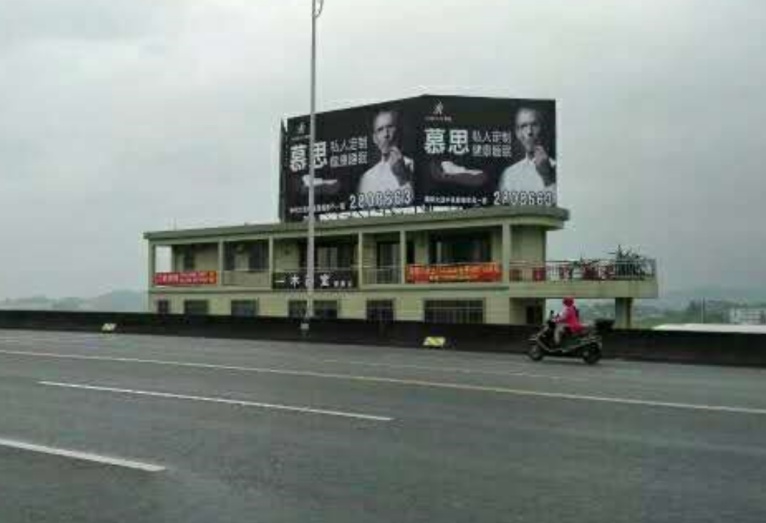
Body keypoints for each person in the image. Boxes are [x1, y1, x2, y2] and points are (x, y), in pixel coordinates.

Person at [356, 109, 414, 202]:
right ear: (375, 139)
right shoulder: (366, 178)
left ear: (398, 131)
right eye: (380, 130)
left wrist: (402, 179)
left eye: (390, 127)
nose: (386, 134)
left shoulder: (414, 166)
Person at [498, 107, 557, 196]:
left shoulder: (560, 169)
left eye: (534, 125)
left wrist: (547, 178)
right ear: (517, 133)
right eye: (523, 126)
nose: (529, 132)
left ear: (543, 128)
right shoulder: (508, 174)